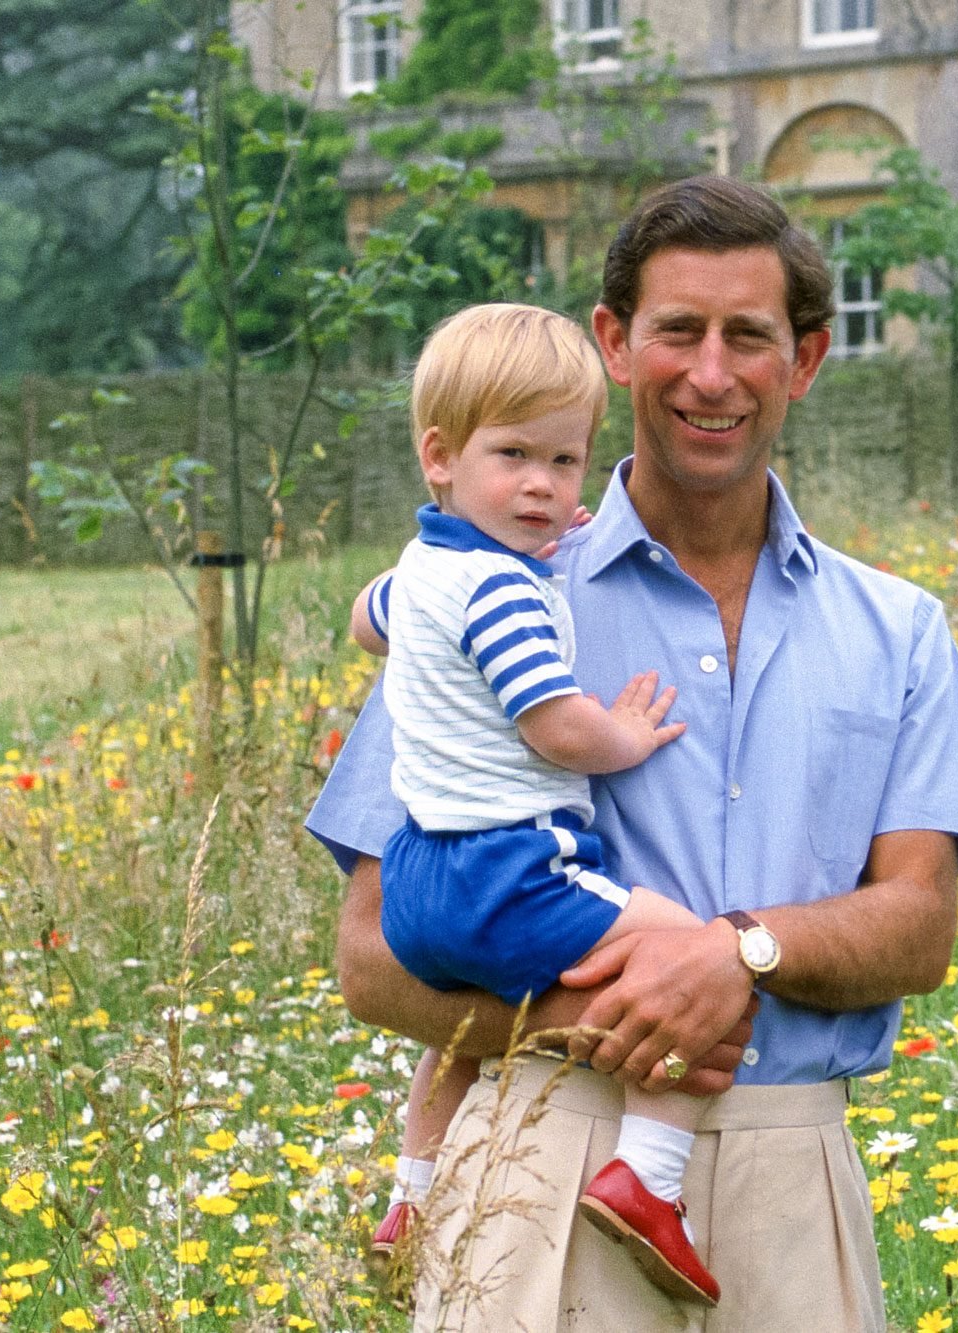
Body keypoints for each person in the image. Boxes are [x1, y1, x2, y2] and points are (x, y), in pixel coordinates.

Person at [308, 175, 958, 1332]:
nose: (709, 372)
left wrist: (736, 954)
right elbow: (368, 952)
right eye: (675, 331)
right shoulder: (488, 592)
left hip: (795, 1178)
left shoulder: (895, 627)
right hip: (543, 1153)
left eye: (747, 336)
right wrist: (607, 1027)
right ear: (613, 346)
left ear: (804, 360)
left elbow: (920, 927)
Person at [349, 301, 737, 1307]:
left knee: (455, 1038)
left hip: (421, 879)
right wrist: (628, 733)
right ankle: (649, 1181)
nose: (542, 486)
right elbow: (552, 726)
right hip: (512, 864)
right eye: (513, 456)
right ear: (438, 456)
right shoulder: (503, 594)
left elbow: (365, 619)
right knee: (689, 956)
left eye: (565, 464)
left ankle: (413, 1193)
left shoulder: (424, 569)